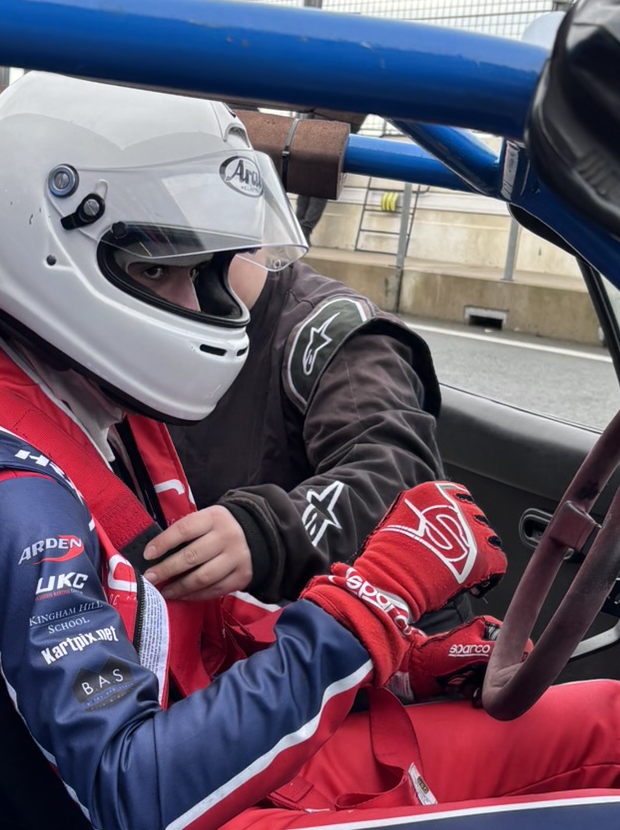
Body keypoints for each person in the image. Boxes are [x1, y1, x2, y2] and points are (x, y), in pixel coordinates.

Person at [0, 72, 620, 830]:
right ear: (50, 254)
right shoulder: (22, 497)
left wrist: (400, 654)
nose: (202, 303)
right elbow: (134, 795)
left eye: (207, 269)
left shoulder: (110, 419)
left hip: (248, 754)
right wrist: (368, 605)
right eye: (164, 270)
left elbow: (193, 634)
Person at [155, 252, 442, 603]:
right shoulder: (155, 324)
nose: (178, 290)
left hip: (364, 620)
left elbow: (395, 476)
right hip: (193, 613)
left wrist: (265, 533)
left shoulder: (336, 337)